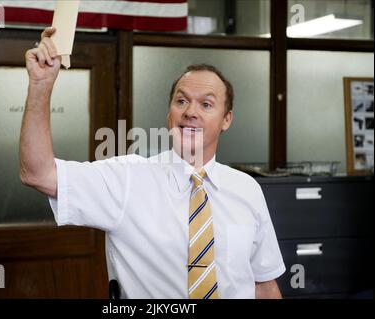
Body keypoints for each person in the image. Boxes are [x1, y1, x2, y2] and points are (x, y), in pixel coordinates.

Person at [20, 27, 286, 299]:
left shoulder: (247, 189)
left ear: (226, 119)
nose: (190, 112)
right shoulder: (128, 179)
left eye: (206, 104)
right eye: (181, 101)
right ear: (169, 113)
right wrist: (40, 86)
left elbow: (264, 286)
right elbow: (38, 173)